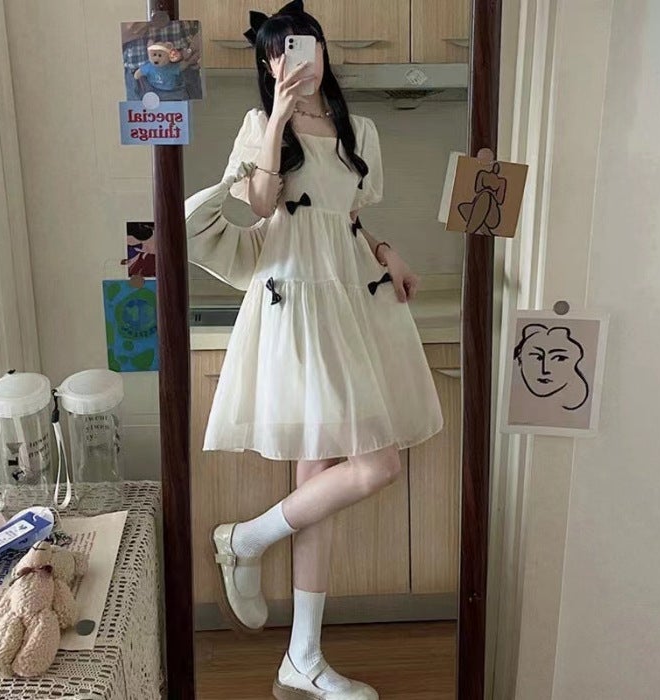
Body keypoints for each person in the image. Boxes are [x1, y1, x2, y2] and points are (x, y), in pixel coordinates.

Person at [202, 2, 444, 698]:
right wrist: (277, 116)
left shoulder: (359, 130)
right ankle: (245, 541)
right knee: (376, 465)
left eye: (306, 45)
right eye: (282, 50)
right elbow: (259, 205)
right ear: (268, 62)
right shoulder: (260, 125)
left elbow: (349, 215)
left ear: (323, 51)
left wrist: (388, 252)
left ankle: (300, 655)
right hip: (292, 303)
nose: (297, 59)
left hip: (349, 298)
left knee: (322, 482)